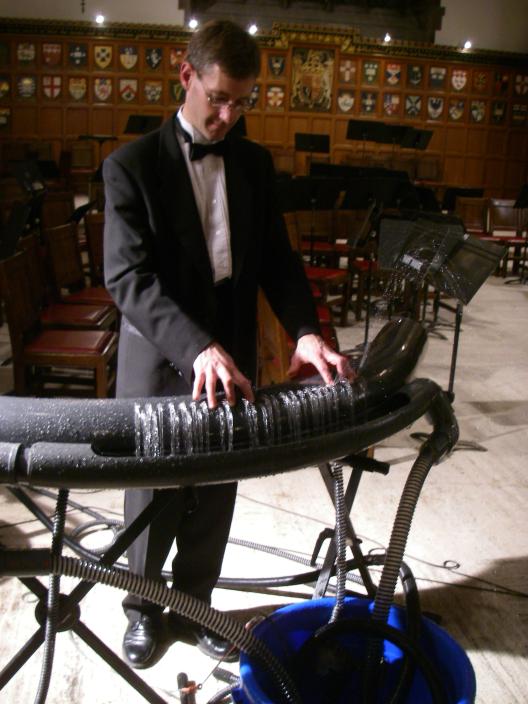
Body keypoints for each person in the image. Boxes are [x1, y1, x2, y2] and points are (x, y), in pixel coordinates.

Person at [103, 19, 352, 669]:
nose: (228, 117)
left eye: (242, 102)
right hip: (163, 356)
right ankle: (143, 609)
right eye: (218, 99)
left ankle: (196, 604)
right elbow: (128, 279)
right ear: (185, 74)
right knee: (154, 495)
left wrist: (306, 332)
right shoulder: (130, 166)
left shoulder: (253, 163)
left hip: (233, 354)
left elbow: (276, 259)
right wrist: (198, 348)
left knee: (216, 490)